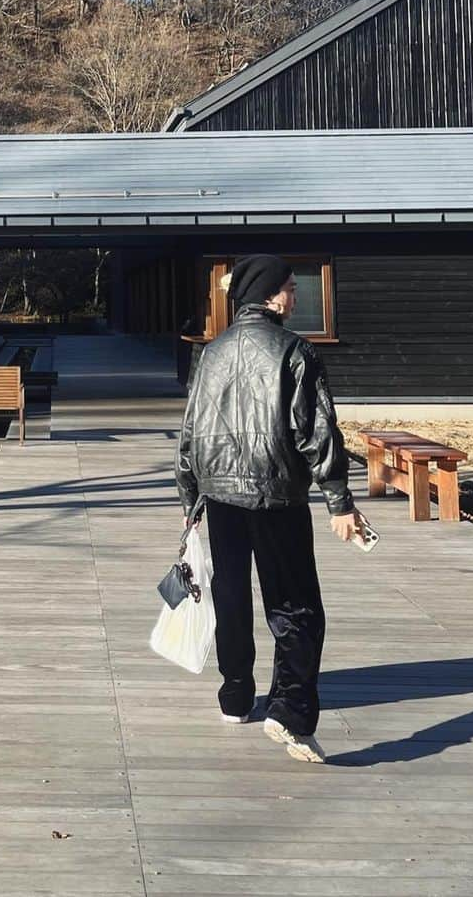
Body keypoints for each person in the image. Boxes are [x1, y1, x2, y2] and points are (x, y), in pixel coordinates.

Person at [175, 254, 359, 764]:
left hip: (221, 500)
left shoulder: (210, 354)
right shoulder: (294, 352)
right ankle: (290, 712)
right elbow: (318, 433)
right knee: (295, 605)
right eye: (291, 288)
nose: (297, 296)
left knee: (230, 594)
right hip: (277, 495)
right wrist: (339, 502)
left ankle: (236, 696)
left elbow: (189, 431)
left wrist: (190, 499)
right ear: (270, 295)